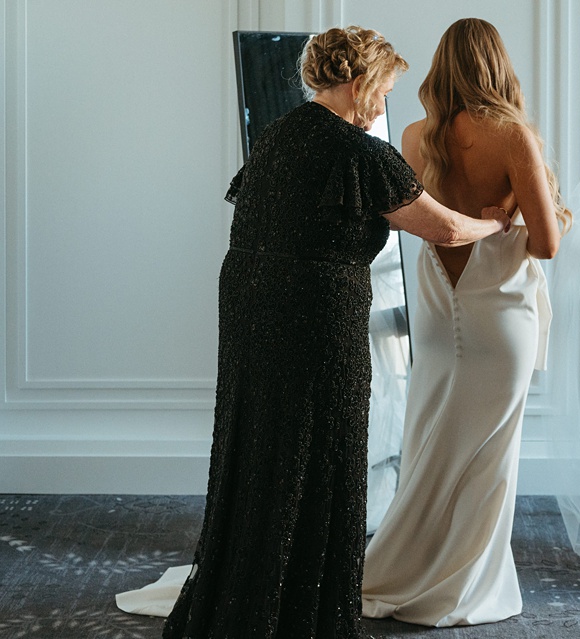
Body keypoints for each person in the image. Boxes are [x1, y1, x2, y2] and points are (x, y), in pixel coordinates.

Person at [153, 26, 511, 639]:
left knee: (261, 447)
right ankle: (301, 617)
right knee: (322, 451)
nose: (383, 103)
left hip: (248, 305)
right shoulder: (359, 151)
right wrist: (495, 223)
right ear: (359, 81)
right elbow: (445, 230)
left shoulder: (278, 134)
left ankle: (250, 598)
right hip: (315, 312)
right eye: (384, 89)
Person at [361, 18, 571, 627]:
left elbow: (422, 220)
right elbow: (549, 245)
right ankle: (466, 589)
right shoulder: (513, 137)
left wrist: (501, 208)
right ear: (496, 64)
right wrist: (511, 213)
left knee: (427, 452)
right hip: (499, 318)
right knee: (486, 465)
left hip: (435, 315)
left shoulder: (412, 137)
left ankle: (404, 569)